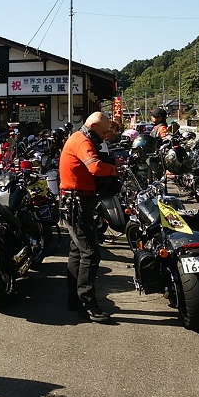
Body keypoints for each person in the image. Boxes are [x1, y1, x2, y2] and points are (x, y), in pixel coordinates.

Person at [59, 111, 124, 323]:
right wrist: (113, 169)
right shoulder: (83, 141)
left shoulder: (79, 138)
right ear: (94, 126)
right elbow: (95, 166)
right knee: (90, 254)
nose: (105, 136)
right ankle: (87, 305)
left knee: (77, 252)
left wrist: (112, 162)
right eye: (104, 132)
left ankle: (74, 299)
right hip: (78, 203)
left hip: (72, 202)